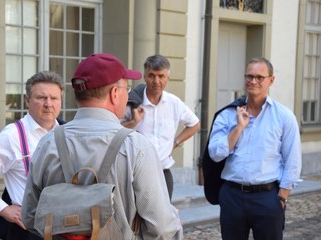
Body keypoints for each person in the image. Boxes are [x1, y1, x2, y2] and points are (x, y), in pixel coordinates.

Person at [21, 53, 183, 239]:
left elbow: (29, 217)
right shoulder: (136, 147)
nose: (127, 94)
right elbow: (161, 228)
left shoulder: (48, 143)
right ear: (114, 94)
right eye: (126, 89)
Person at [208, 57, 302, 240]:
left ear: (271, 80)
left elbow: (293, 160)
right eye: (249, 76)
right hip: (232, 196)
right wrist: (238, 128)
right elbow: (216, 154)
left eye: (260, 77)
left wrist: (282, 197)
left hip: (267, 197)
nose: (253, 81)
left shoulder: (284, 116)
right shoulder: (227, 114)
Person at [0, 71, 64, 240]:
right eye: (41, 97)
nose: (48, 104)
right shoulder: (11, 136)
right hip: (28, 231)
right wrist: (3, 209)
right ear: (27, 100)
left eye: (54, 98)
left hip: (62, 226)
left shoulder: (66, 132)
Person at [121, 54, 200, 200]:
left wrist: (175, 143)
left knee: (163, 221)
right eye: (151, 76)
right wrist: (132, 123)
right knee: (134, 221)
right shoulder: (132, 104)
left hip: (163, 174)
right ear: (144, 76)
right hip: (135, 174)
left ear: (167, 78)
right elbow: (113, 130)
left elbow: (194, 124)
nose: (156, 81)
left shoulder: (174, 103)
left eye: (161, 76)